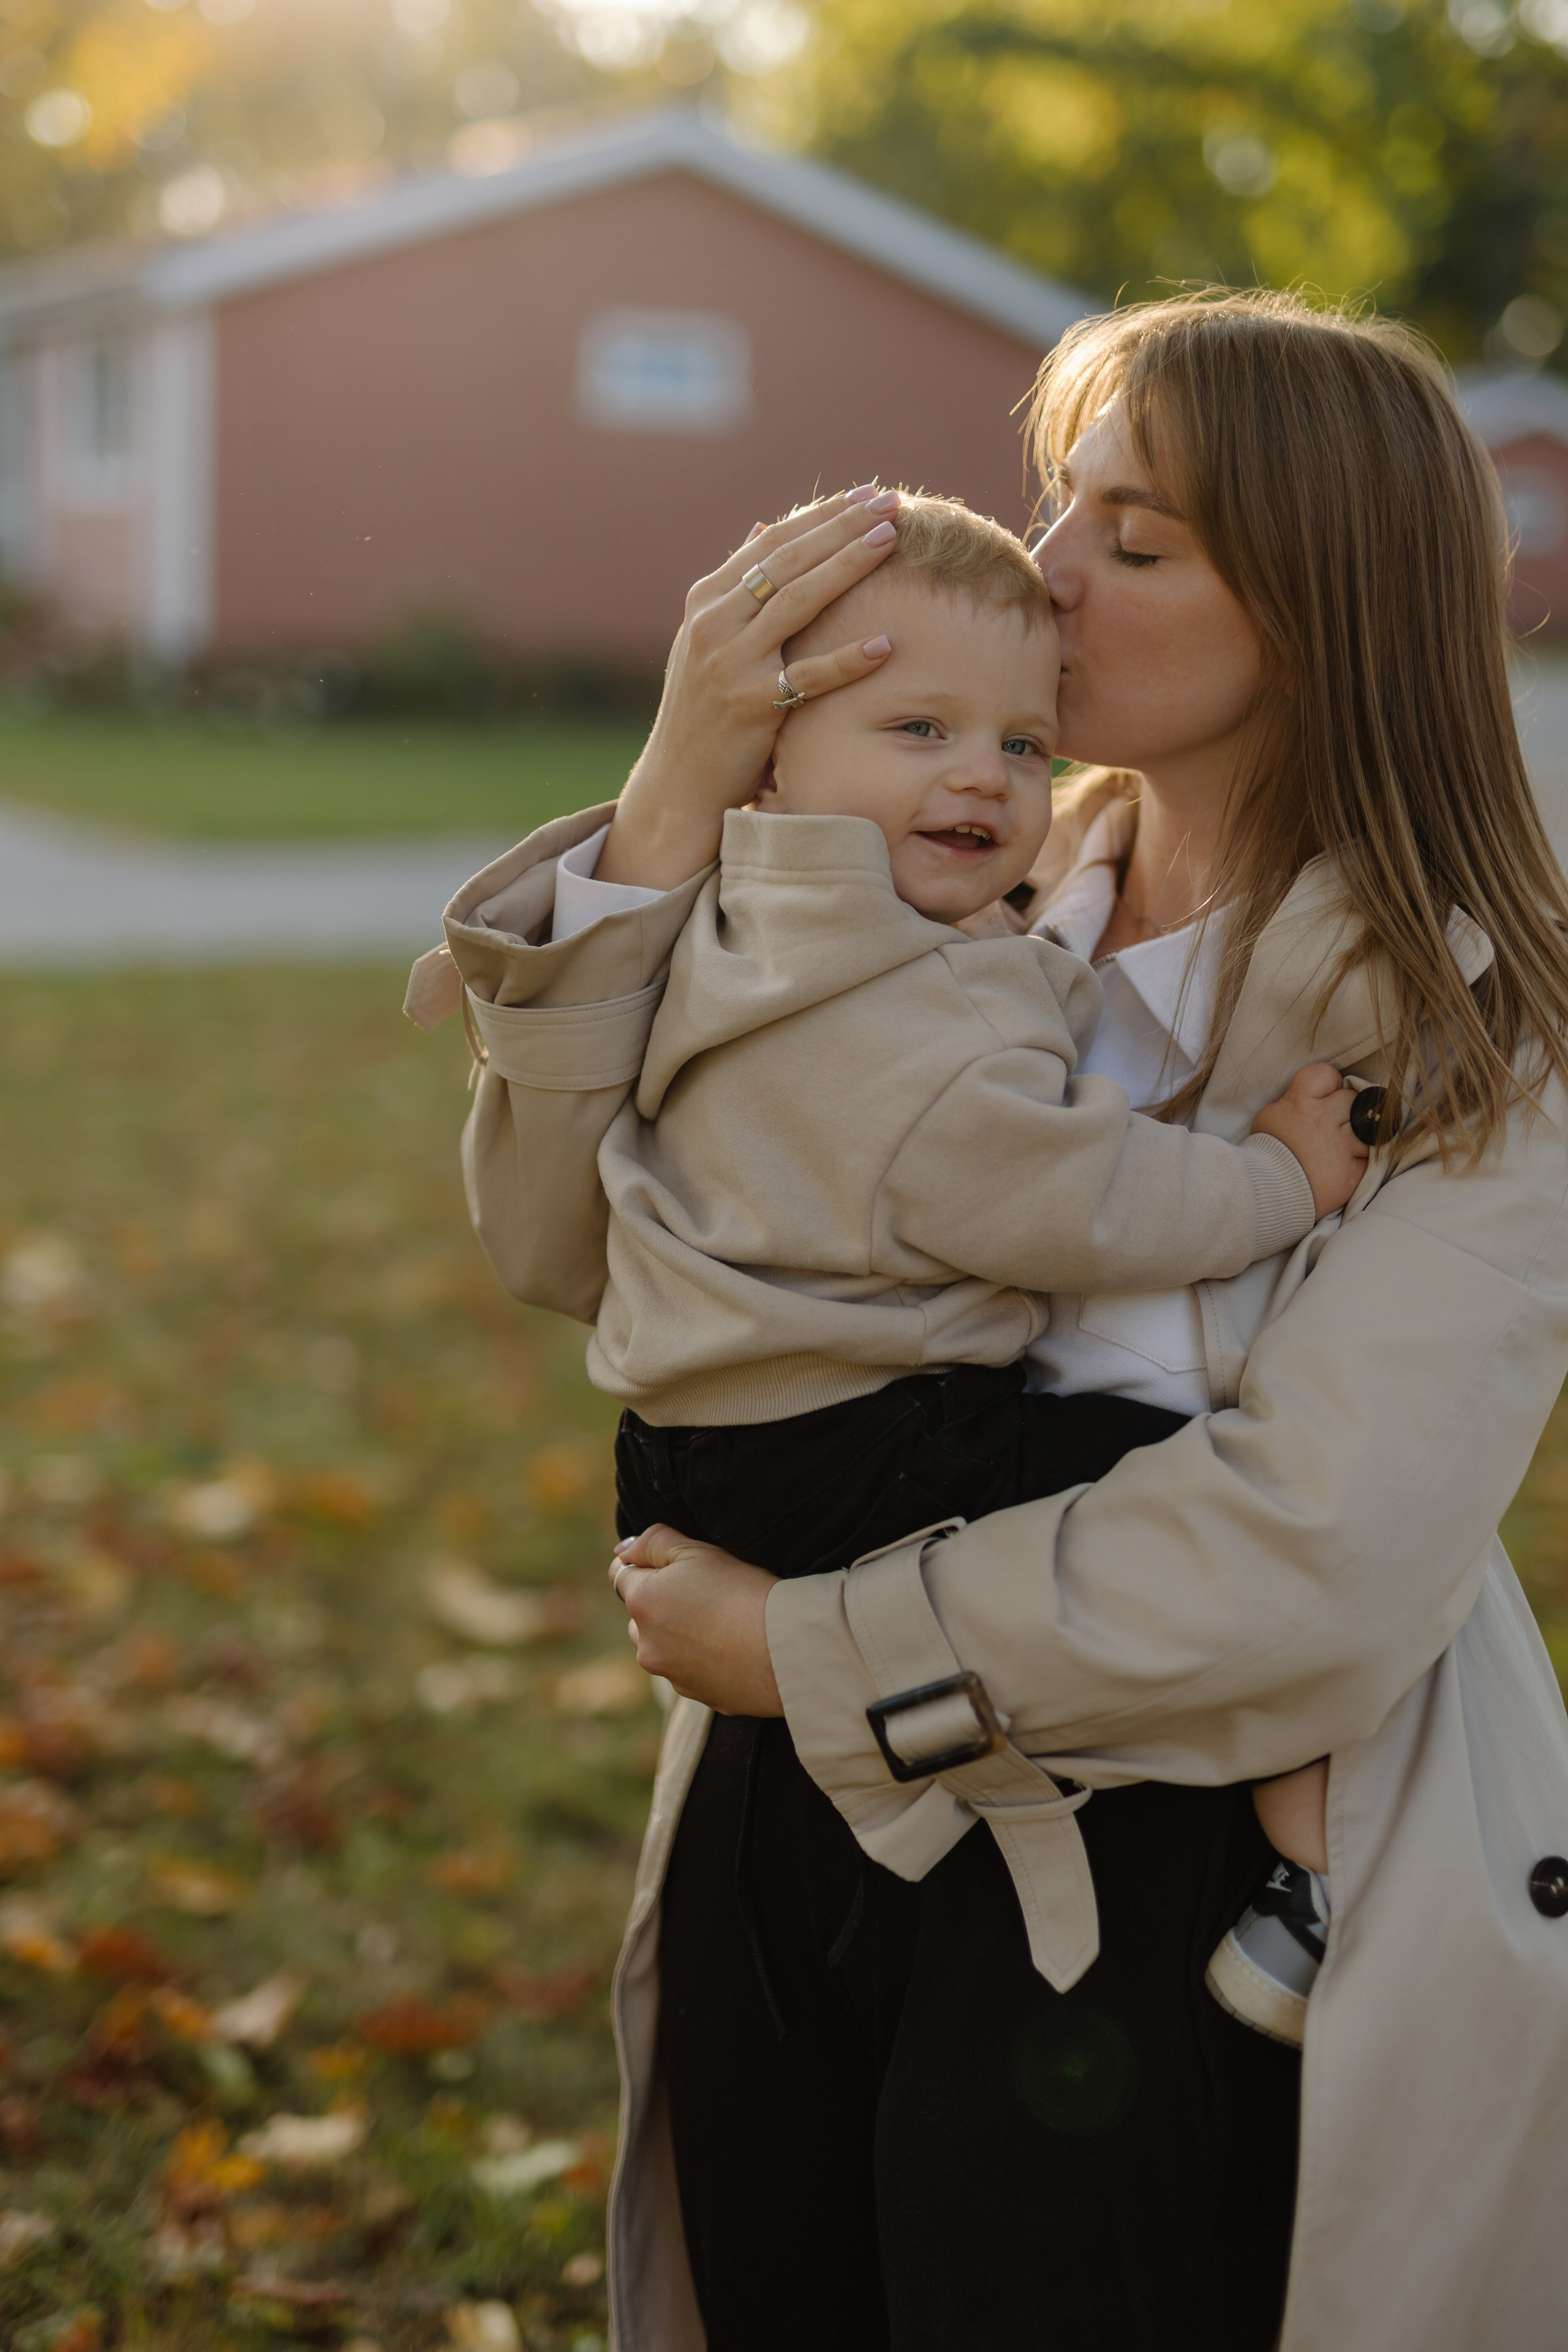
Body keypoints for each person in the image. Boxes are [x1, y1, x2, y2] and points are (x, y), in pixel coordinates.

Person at [405, 291, 1568, 2352]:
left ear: (1321, 609)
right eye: (1062, 507)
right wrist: (673, 803)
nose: (1044, 573)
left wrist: (805, 1645)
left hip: (1156, 1856)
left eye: (1136, 541)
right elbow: (559, 1240)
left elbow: (1317, 1552)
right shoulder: (944, 876)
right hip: (785, 1814)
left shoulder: (1478, 1026)